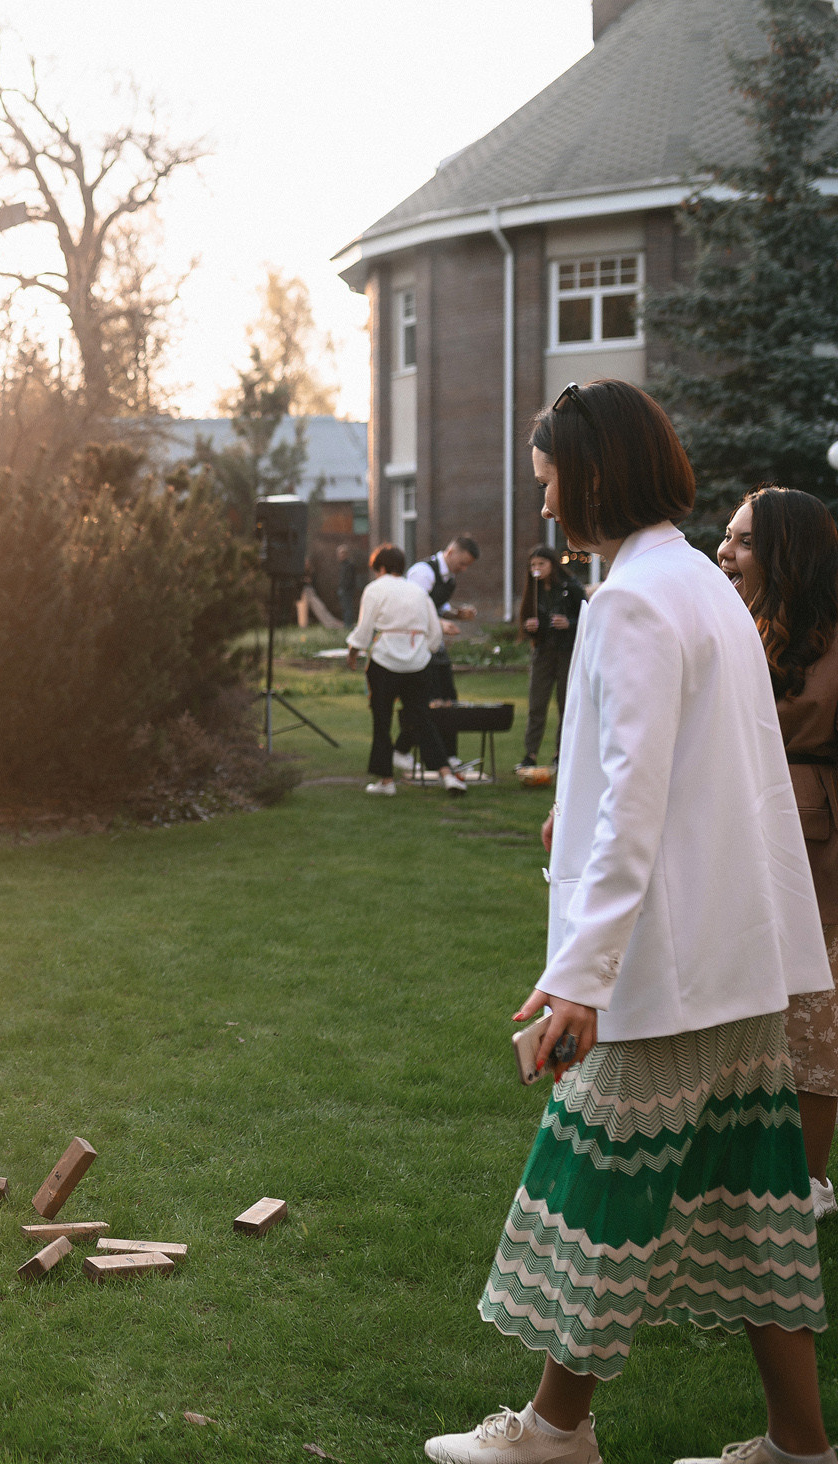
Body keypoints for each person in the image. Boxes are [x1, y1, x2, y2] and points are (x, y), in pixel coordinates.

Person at [426, 381, 831, 1464]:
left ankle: (553, 1430)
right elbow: (699, 771)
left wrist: (579, 979)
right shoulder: (694, 580)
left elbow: (641, 802)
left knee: (597, 1182)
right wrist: (580, 798)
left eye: (551, 482)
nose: (547, 505)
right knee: (753, 1207)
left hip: (669, 968)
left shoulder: (634, 600)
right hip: (742, 960)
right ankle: (800, 1445)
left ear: (594, 473)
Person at [719, 486, 838, 1222]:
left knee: (813, 1023)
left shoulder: (826, 638)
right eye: (726, 536)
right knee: (748, 1016)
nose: (725, 551)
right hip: (741, 842)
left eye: (746, 541)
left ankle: (809, 1184)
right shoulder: (738, 624)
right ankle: (739, 1173)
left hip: (814, 846)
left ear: (787, 553)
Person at [345, 542, 461, 797]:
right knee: (422, 718)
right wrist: (422, 652)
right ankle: (447, 775)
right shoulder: (417, 591)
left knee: (382, 720)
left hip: (385, 662)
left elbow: (364, 630)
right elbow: (434, 632)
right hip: (417, 664)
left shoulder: (375, 589)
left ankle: (386, 782)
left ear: (381, 567)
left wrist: (353, 652)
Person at [393, 534, 480, 772]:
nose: (463, 569)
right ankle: (401, 750)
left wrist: (456, 614)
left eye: (467, 566)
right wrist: (440, 624)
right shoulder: (423, 572)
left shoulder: (449, 578)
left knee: (449, 699)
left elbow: (437, 607)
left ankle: (449, 756)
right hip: (417, 647)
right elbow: (415, 607)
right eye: (462, 563)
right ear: (450, 551)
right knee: (427, 702)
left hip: (435, 648)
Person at [514, 545, 584, 770]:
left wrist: (569, 623)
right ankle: (530, 754)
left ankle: (560, 754)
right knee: (537, 704)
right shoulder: (533, 590)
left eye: (541, 564)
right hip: (543, 652)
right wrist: (529, 626)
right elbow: (526, 620)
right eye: (533, 565)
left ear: (552, 564)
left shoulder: (570, 587)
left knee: (566, 705)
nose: (536, 569)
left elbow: (587, 616)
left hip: (566, 652)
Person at [336, 541, 366, 626]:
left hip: (347, 590)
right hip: (343, 589)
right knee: (345, 608)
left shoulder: (349, 565)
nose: (340, 555)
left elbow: (349, 579)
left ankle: (348, 624)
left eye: (342, 553)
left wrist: (344, 588)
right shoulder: (342, 565)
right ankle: (347, 623)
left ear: (346, 554)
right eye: (339, 553)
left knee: (348, 607)